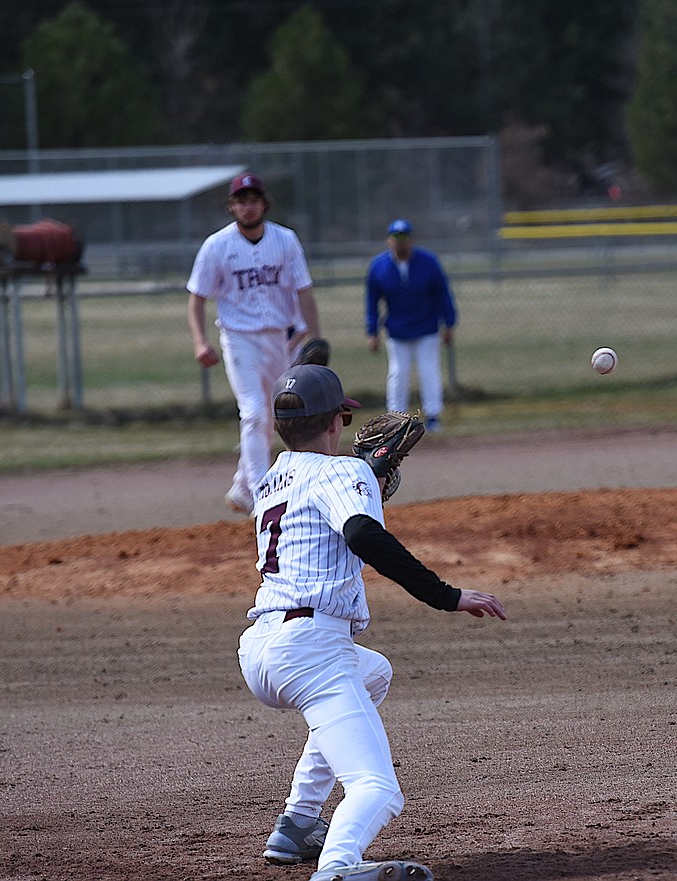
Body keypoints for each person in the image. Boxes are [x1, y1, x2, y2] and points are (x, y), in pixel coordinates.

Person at [238, 363, 507, 881]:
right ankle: (336, 869)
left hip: (261, 649)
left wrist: (363, 473)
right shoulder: (346, 473)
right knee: (377, 789)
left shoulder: (271, 480)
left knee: (373, 672)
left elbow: (321, 500)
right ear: (337, 422)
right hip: (311, 650)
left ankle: (298, 821)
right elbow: (362, 534)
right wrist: (446, 596)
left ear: (278, 427)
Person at [187, 172, 322, 516]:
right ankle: (265, 497)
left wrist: (317, 337)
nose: (248, 207)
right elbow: (197, 299)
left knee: (278, 413)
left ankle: (243, 486)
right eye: (241, 201)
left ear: (264, 204)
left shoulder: (286, 240)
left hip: (282, 338)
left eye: (254, 200)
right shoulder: (217, 246)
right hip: (240, 338)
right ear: (232, 207)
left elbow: (304, 290)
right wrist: (200, 342)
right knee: (254, 412)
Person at [364, 219, 457, 433]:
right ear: (388, 241)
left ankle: (433, 415)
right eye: (396, 239)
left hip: (426, 328)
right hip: (397, 331)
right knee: (398, 372)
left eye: (405, 239)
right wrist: (372, 331)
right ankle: (396, 419)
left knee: (429, 371)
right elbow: (371, 301)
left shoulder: (428, 262)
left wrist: (449, 323)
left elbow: (443, 294)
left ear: (412, 240)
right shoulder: (379, 267)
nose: (401, 243)